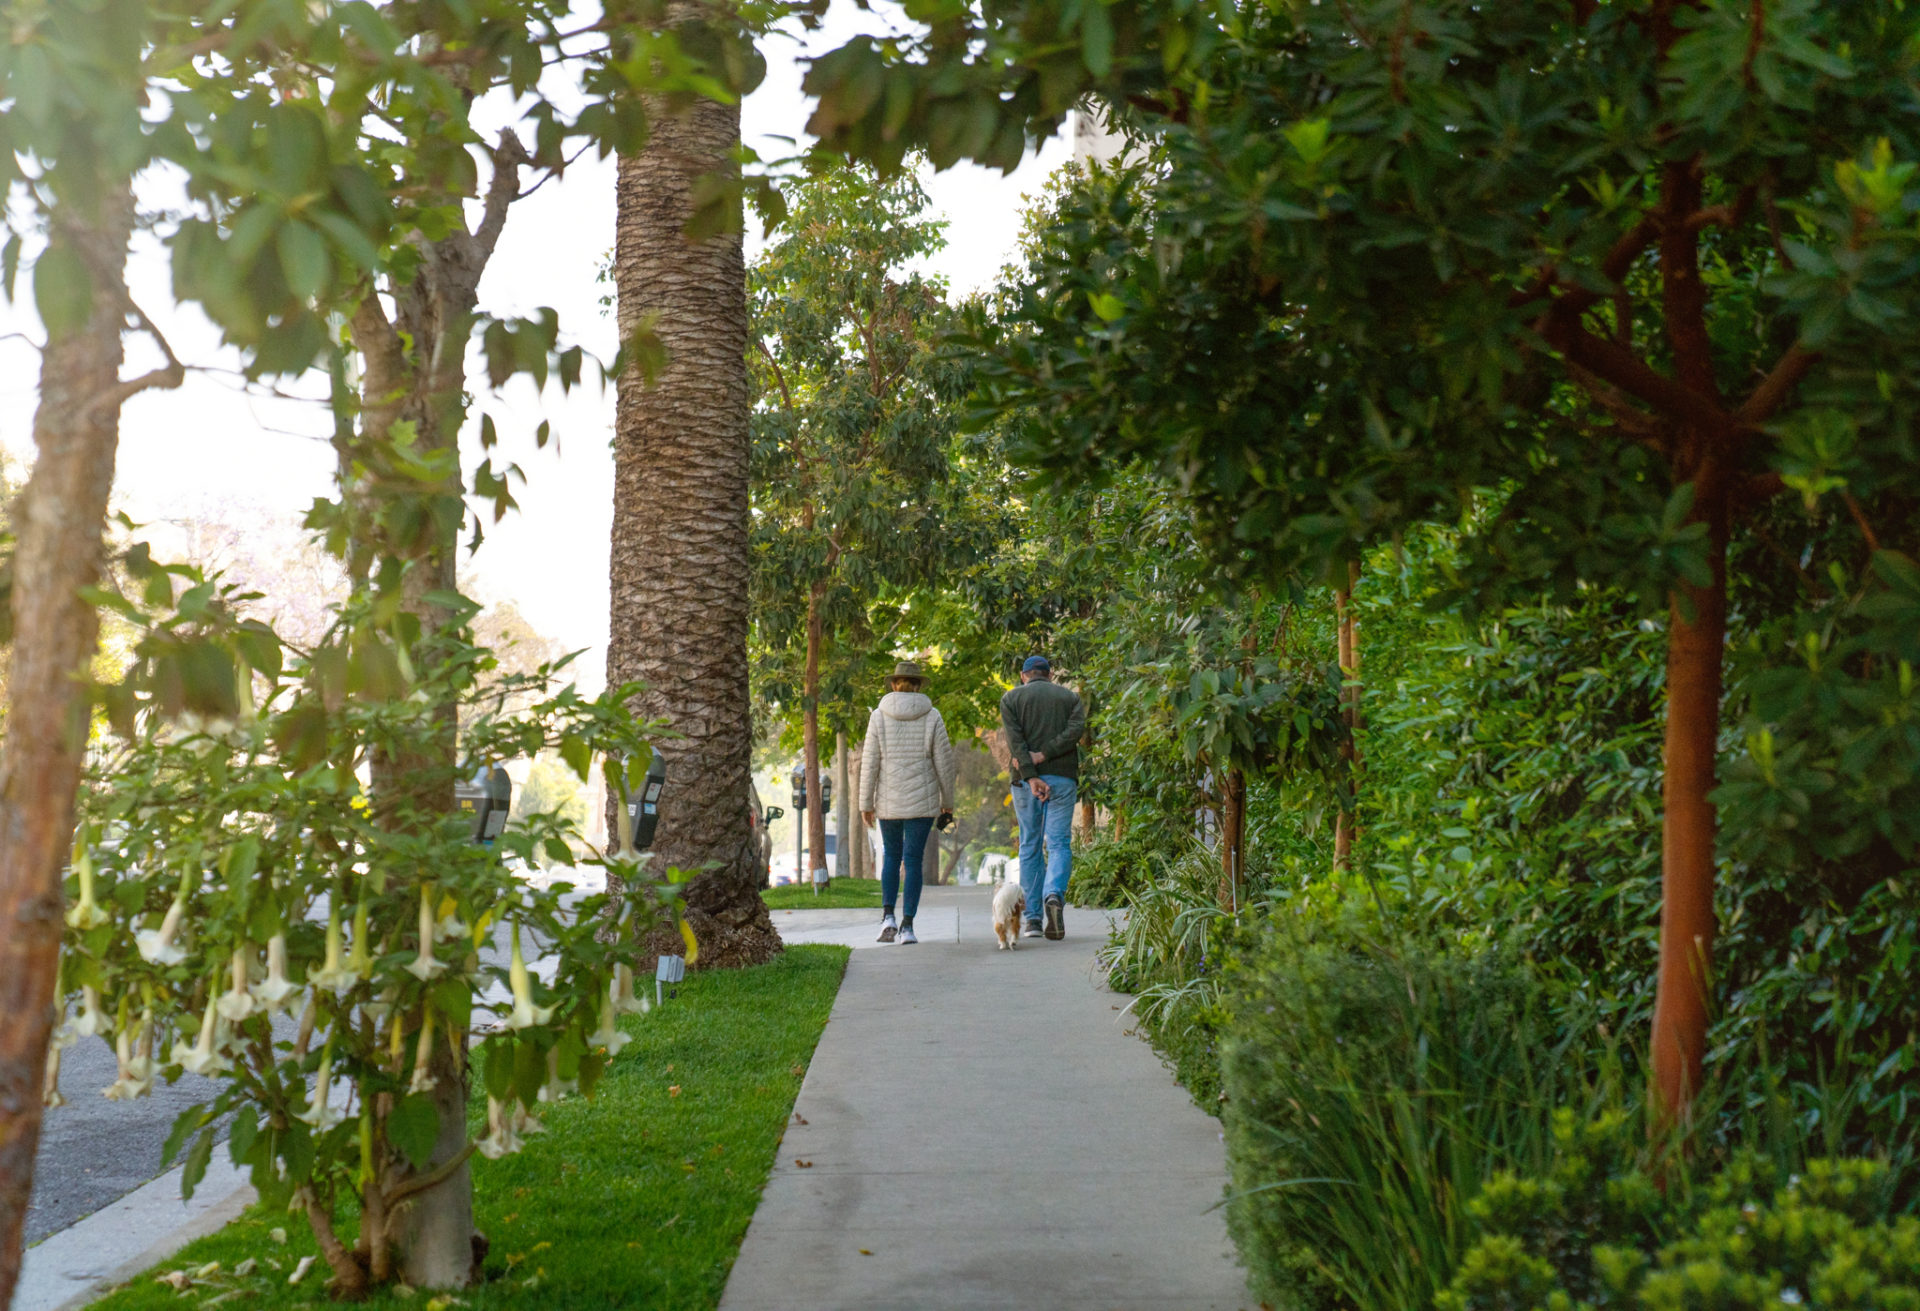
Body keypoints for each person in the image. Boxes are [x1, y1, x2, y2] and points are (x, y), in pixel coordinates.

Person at [858, 661, 956, 944]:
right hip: (922, 803)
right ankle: (908, 927)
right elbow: (944, 763)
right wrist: (947, 801)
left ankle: (887, 917)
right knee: (913, 861)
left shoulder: (878, 716)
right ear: (917, 686)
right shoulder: (932, 716)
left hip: (888, 802)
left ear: (893, 684)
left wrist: (866, 803)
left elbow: (870, 762)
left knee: (891, 856)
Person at [1000, 655, 1087, 940]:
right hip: (1062, 777)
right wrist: (1046, 754)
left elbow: (1014, 741)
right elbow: (1075, 731)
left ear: (1024, 675)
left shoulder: (1011, 699)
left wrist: (1030, 772)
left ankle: (1034, 920)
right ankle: (1054, 895)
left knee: (1030, 845)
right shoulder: (1069, 698)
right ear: (1049, 675)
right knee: (1059, 843)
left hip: (1025, 782)